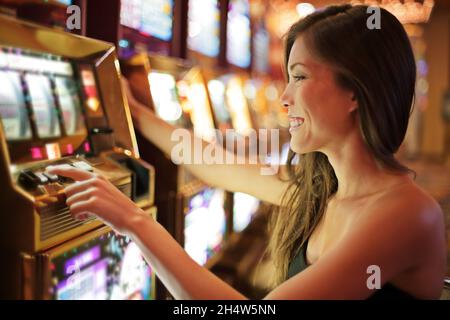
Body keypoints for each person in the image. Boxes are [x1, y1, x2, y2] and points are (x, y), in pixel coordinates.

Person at [48, 4, 447, 299]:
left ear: (354, 94)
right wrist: (129, 110)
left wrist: (136, 221)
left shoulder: (407, 214)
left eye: (299, 77)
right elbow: (213, 166)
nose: (284, 98)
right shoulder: (327, 187)